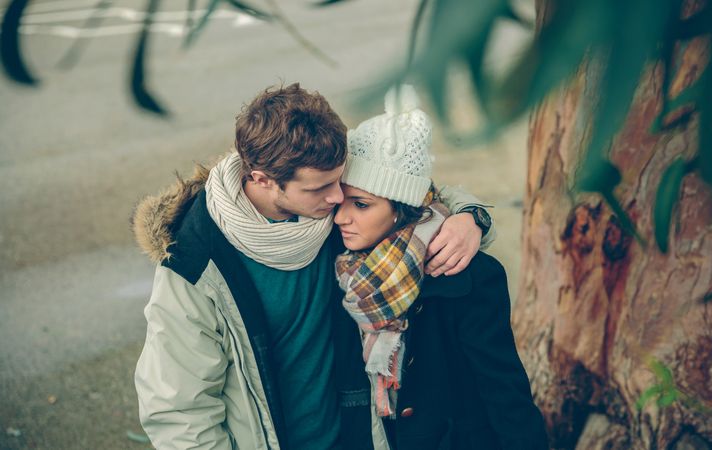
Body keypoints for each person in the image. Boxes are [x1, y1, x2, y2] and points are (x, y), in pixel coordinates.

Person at [132, 83, 496, 450]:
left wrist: (470, 216)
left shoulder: (331, 204)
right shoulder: (195, 262)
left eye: (340, 181)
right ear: (262, 180)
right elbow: (179, 412)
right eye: (320, 189)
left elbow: (408, 191)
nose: (338, 198)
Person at [331, 85, 548, 450]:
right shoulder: (338, 264)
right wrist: (473, 214)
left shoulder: (469, 276)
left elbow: (503, 389)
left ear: (401, 209)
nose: (341, 216)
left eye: (361, 204)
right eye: (341, 199)